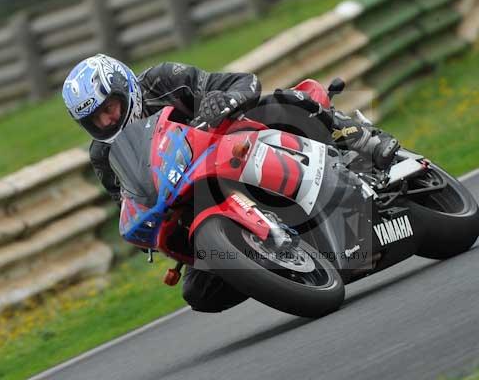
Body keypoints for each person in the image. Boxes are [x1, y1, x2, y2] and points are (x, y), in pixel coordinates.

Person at [62, 54, 399, 313]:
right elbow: (128, 200)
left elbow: (243, 82)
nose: (106, 120)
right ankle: (276, 268)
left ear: (125, 88)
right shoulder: (103, 156)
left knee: (281, 103)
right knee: (199, 294)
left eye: (109, 107)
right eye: (95, 118)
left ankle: (358, 139)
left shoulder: (164, 80)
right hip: (194, 200)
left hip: (239, 144)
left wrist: (222, 101)